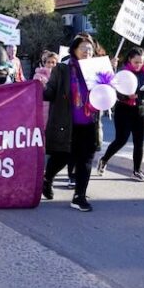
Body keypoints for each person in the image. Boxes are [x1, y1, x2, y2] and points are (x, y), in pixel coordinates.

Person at [41, 35, 102, 212]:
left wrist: (110, 78)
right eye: (83, 47)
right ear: (74, 49)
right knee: (63, 156)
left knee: (86, 159)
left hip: (90, 123)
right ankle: (47, 179)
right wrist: (40, 88)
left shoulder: (98, 70)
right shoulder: (63, 69)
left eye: (90, 48)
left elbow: (109, 95)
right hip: (67, 124)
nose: (87, 51)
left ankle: (79, 196)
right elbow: (50, 93)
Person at [97, 47, 144, 182]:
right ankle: (104, 160)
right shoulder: (122, 73)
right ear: (130, 60)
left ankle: (137, 171)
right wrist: (127, 96)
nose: (139, 65)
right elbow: (114, 92)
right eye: (136, 62)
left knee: (140, 142)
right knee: (121, 140)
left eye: (141, 62)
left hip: (141, 110)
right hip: (124, 110)